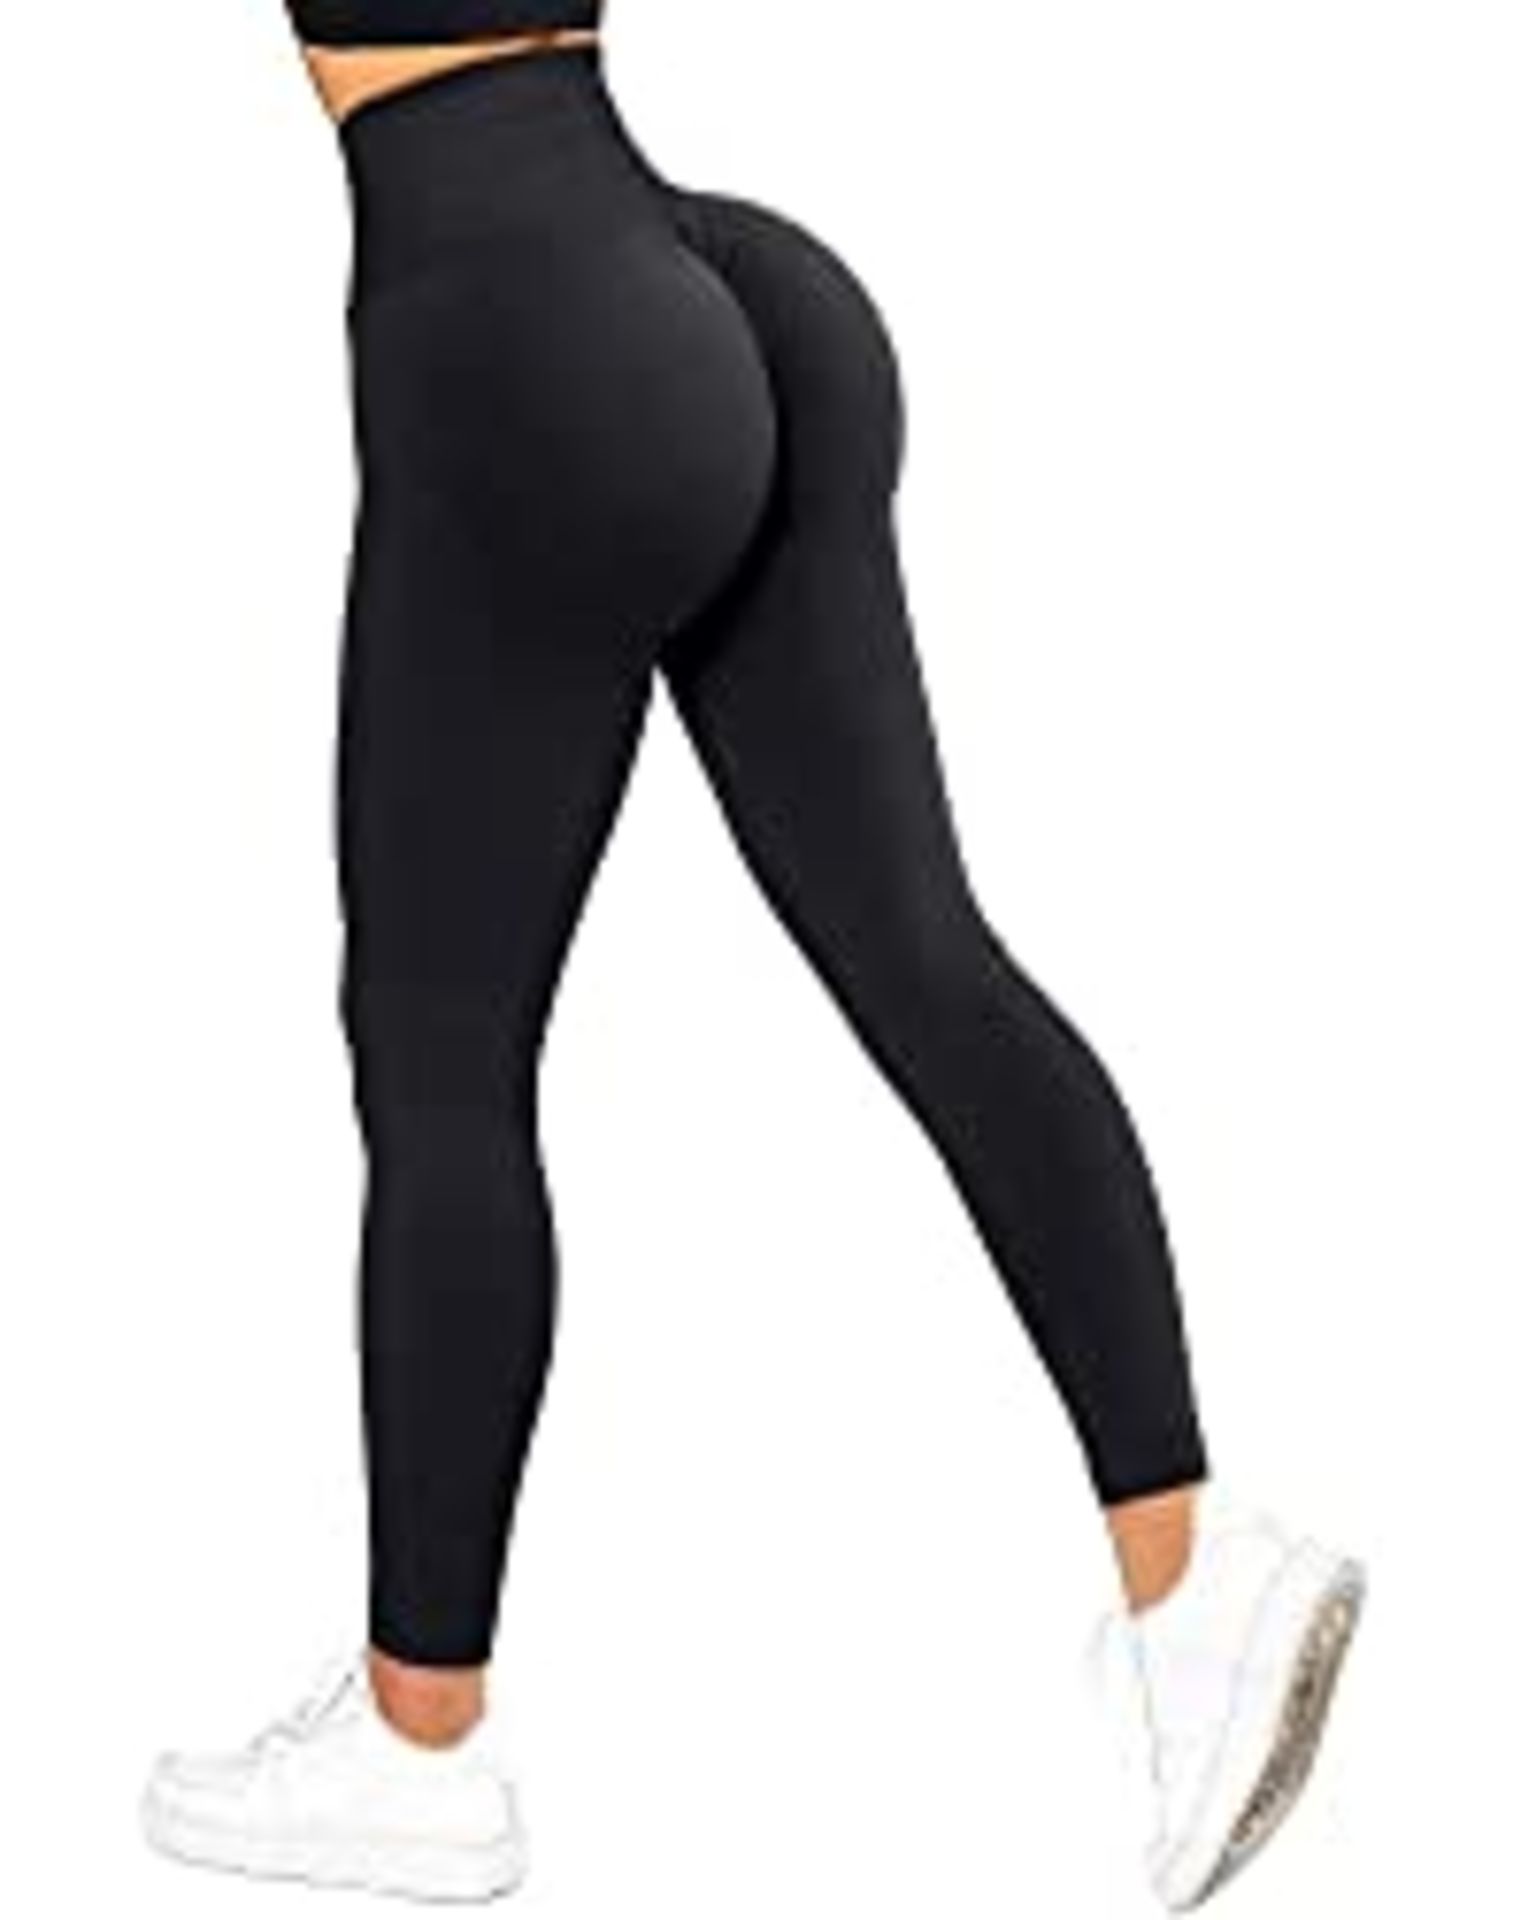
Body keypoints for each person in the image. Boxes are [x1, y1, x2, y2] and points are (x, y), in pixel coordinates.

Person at [140, 6, 1367, 1911]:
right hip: (728, 286)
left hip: (520, 324)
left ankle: (416, 1745)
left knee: (442, 1061)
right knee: (929, 958)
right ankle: (1195, 1575)